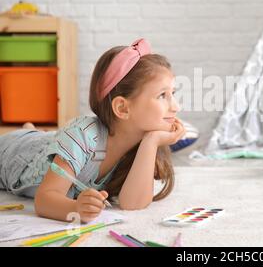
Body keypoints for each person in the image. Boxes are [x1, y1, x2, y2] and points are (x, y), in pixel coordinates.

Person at [0, 38, 185, 223]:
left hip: (55, 144)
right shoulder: (82, 136)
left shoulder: (143, 139)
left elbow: (132, 204)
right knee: (44, 142)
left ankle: (31, 129)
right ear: (122, 108)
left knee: (52, 142)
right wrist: (75, 208)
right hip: (13, 153)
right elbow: (45, 199)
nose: (176, 106)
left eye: (172, 94)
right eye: (162, 95)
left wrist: (151, 143)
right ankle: (28, 130)